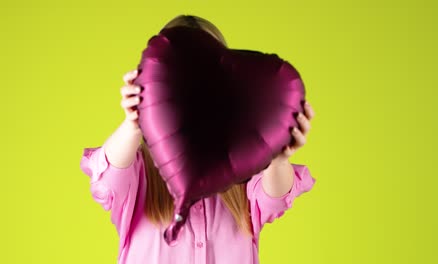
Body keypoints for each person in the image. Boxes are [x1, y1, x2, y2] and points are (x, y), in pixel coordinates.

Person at [79, 14, 316, 264]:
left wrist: (277, 156)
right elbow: (108, 181)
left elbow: (273, 199)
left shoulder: (242, 166)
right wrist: (134, 121)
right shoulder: (140, 174)